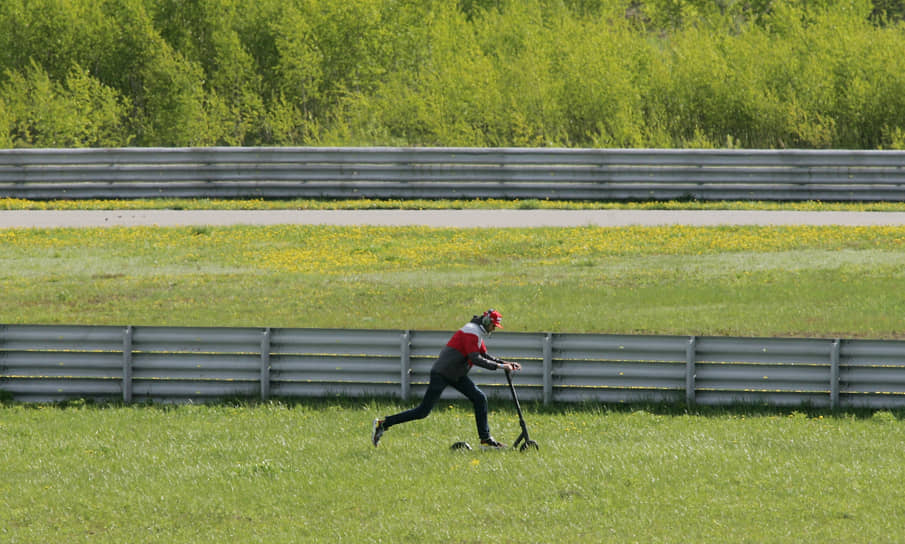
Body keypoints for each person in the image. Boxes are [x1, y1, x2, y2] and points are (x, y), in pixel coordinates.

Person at [371, 309, 521, 449]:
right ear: (487, 322)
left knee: (479, 398)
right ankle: (383, 423)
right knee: (423, 411)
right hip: (442, 374)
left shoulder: (477, 332)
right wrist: (500, 367)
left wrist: (506, 363)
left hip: (456, 374)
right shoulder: (471, 332)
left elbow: (485, 356)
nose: (494, 329)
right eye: (493, 326)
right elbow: (475, 358)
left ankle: (486, 440)